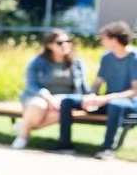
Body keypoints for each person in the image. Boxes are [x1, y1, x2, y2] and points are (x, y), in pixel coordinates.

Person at [56, 21, 137, 158]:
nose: (101, 41)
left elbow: (134, 91)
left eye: (103, 38)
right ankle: (65, 144)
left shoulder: (134, 58)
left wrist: (105, 98)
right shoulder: (107, 57)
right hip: (107, 100)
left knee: (115, 105)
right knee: (67, 101)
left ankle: (107, 149)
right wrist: (91, 96)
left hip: (129, 103)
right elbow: (97, 83)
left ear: (114, 39)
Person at [11, 29, 85, 149]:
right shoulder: (38, 61)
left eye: (68, 41)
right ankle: (23, 137)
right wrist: (48, 97)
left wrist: (89, 98)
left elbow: (82, 85)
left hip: (65, 100)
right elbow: (31, 84)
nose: (65, 45)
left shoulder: (76, 62)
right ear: (49, 45)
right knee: (39, 105)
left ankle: (24, 126)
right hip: (39, 96)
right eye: (60, 42)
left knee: (63, 112)